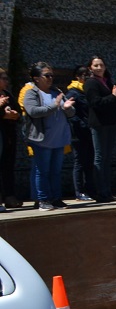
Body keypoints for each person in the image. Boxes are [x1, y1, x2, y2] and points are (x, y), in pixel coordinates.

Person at [22, 62, 75, 211]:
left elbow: (70, 112)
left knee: (56, 171)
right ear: (36, 78)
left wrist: (67, 108)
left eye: (52, 75)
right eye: (46, 75)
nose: (50, 78)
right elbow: (33, 111)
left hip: (58, 139)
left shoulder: (56, 91)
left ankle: (56, 198)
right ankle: (43, 200)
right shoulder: (31, 93)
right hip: (42, 139)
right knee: (42, 171)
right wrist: (54, 105)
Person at [83, 55, 116, 203]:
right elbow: (97, 103)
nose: (99, 68)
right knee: (100, 157)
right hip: (99, 124)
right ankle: (101, 192)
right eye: (96, 65)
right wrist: (114, 95)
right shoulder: (91, 83)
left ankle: (107, 190)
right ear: (90, 68)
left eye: (101, 65)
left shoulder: (107, 82)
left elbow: (115, 103)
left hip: (111, 123)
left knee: (107, 158)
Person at [65, 65, 95, 201]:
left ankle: (90, 189)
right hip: (78, 131)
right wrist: (81, 123)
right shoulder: (73, 92)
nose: (88, 77)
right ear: (78, 77)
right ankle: (79, 191)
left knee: (89, 161)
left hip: (89, 130)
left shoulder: (87, 91)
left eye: (89, 75)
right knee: (80, 162)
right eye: (85, 75)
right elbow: (70, 113)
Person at [0, 68, 21, 208]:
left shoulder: (8, 94)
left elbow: (18, 111)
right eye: (4, 78)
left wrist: (14, 114)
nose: (7, 81)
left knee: (8, 166)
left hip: (9, 135)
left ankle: (9, 196)